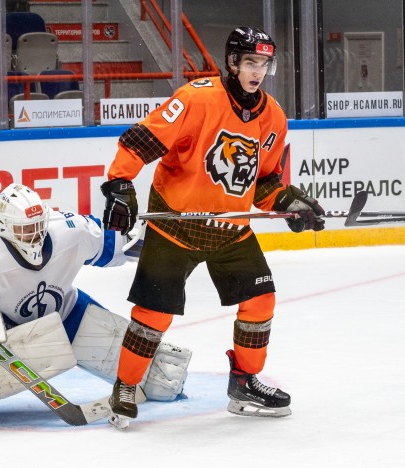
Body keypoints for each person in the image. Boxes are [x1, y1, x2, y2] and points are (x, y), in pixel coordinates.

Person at [100, 26, 325, 428]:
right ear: (233, 62)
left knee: (260, 302)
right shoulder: (196, 99)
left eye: (265, 64)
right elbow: (142, 141)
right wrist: (120, 185)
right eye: (251, 62)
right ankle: (126, 385)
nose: (258, 71)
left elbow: (264, 183)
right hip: (176, 226)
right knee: (154, 313)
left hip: (231, 230)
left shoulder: (272, 115)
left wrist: (292, 204)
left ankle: (244, 382)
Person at [0, 183, 191, 428]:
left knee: (165, 380)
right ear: (3, 227)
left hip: (71, 314)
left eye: (38, 226)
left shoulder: (69, 229)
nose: (35, 236)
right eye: (25, 230)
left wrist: (156, 242)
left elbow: (116, 245)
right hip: (19, 336)